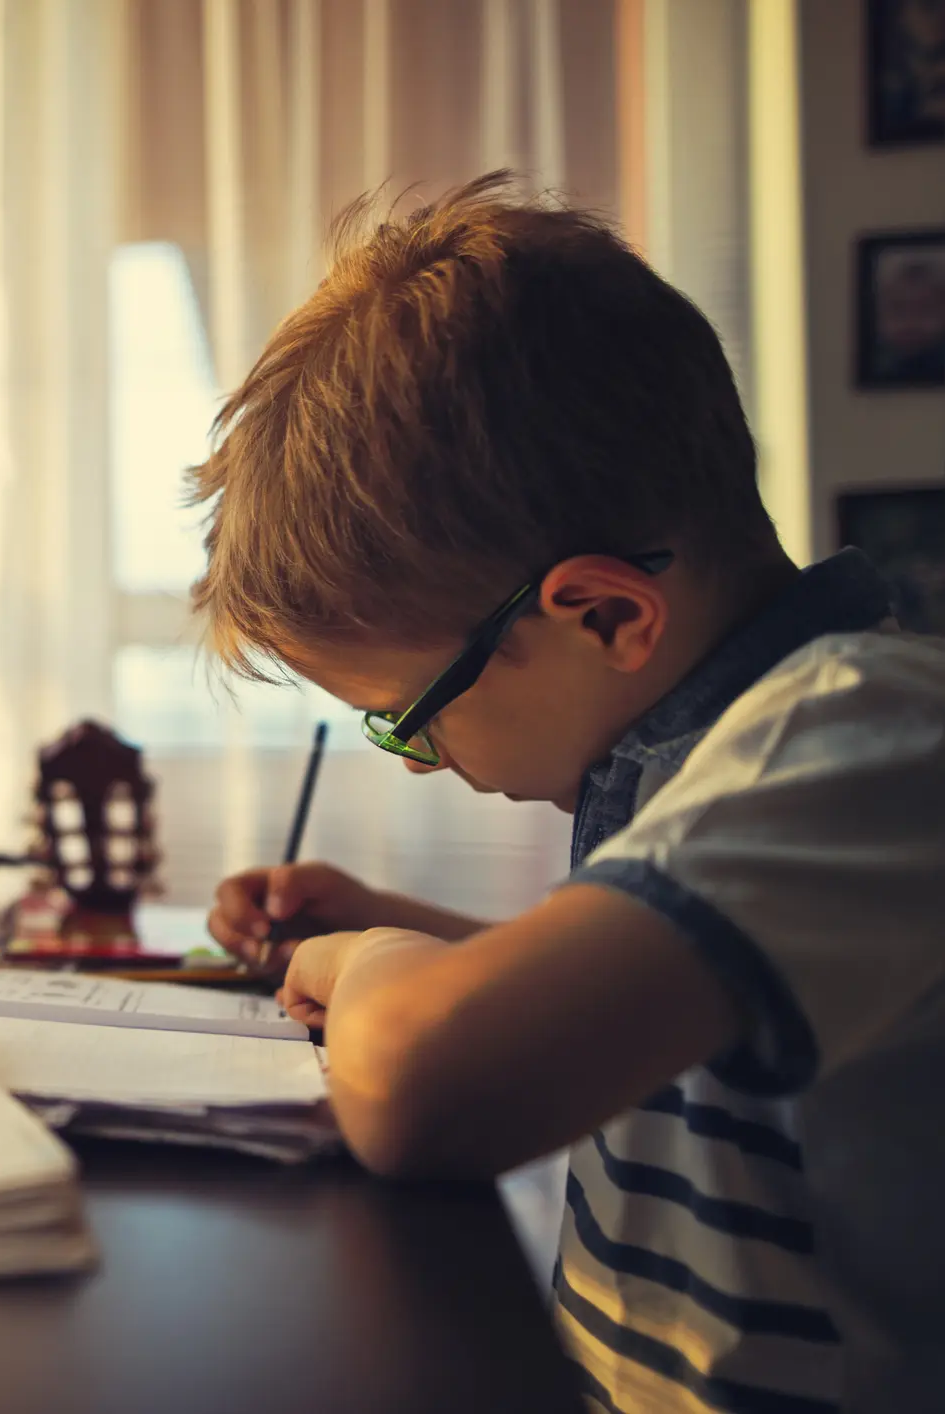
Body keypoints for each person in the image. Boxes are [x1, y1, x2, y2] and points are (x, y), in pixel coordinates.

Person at [196, 172, 945, 1413]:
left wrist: (379, 960)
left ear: (602, 614)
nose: (420, 757)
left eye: (407, 714)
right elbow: (667, 1023)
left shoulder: (858, 743)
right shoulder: (722, 766)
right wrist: (420, 933)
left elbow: (435, 1088)